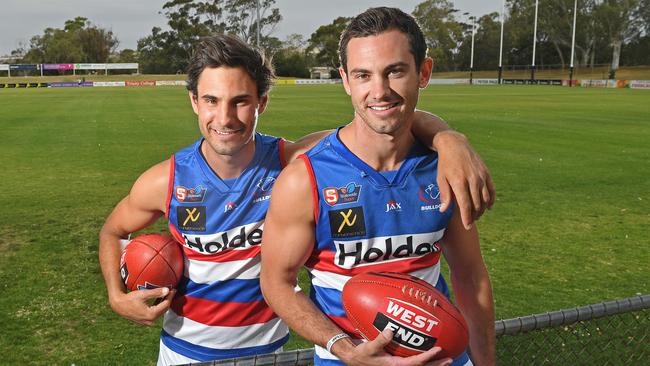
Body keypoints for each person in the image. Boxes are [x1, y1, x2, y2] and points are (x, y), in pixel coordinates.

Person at [98, 33, 494, 365]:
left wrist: (447, 137)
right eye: (211, 100)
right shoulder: (165, 180)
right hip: (184, 353)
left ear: (261, 104)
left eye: (240, 101)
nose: (225, 117)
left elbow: (379, 121)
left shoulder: (291, 163)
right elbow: (114, 231)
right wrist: (117, 296)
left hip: (270, 353)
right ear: (194, 103)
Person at [260, 7, 495, 366]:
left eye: (395, 71)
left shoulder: (444, 168)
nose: (379, 91)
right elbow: (276, 283)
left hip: (442, 356)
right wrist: (343, 347)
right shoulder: (304, 179)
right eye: (363, 75)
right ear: (345, 80)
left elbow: (470, 277)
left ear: (424, 72)